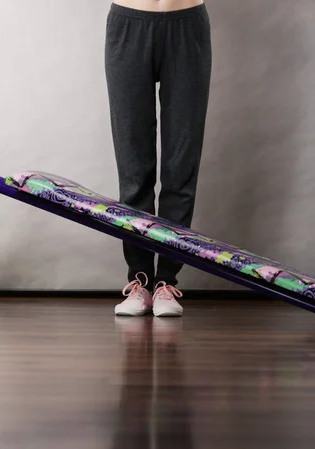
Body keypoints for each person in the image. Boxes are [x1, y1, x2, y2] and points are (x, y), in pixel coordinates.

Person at [105, 0, 212, 317]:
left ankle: (166, 282)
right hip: (128, 24)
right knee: (134, 172)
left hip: (187, 25)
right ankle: (139, 280)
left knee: (181, 170)